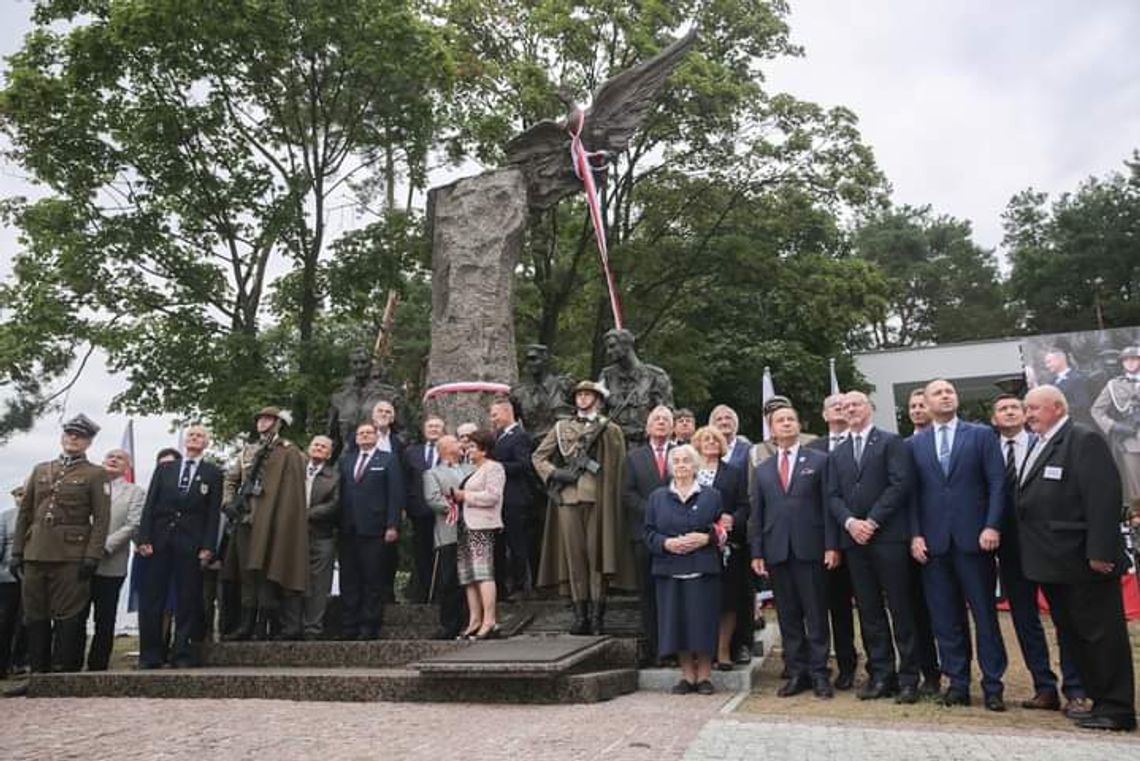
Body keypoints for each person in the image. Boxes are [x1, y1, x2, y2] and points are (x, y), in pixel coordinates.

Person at [1018, 385, 1136, 731]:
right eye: (1027, 409)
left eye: (1034, 409)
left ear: (1056, 408)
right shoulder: (1041, 444)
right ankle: (1098, 702)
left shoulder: (1082, 439)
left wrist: (1099, 551)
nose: (1028, 415)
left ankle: (1116, 708)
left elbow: (1103, 498)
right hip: (1055, 564)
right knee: (1074, 637)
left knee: (1101, 636)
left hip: (1085, 563)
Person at [910, 379, 1008, 711]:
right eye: (938, 393)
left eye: (949, 391)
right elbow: (913, 495)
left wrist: (992, 524)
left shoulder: (980, 435)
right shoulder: (916, 444)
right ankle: (958, 682)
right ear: (925, 402)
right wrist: (916, 534)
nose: (946, 396)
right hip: (934, 546)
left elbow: (997, 483)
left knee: (984, 616)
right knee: (945, 618)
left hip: (975, 541)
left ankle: (993, 685)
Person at [991, 393, 1088, 715]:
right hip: (1011, 550)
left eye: (1015, 408)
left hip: (1050, 548)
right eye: (1001, 409)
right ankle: (1043, 687)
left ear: (1024, 414)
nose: (1009, 413)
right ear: (994, 419)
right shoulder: (989, 451)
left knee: (1063, 617)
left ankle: (1075, 688)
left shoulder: (1044, 444)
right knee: (1024, 621)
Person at [827, 391, 919, 703]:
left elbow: (900, 484)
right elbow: (833, 496)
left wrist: (872, 521)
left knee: (901, 609)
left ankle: (909, 677)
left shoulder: (891, 442)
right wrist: (852, 523)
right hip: (855, 542)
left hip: (888, 538)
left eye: (857, 404)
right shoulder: (837, 453)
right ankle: (881, 674)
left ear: (870, 409)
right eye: (846, 406)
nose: (851, 409)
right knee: (869, 612)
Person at [10, 414, 110, 681]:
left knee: (68, 616)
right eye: (69, 434)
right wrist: (17, 551)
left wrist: (92, 555)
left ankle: (62, 674)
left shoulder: (95, 474)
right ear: (63, 437)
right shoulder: (41, 469)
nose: (73, 439)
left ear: (88, 442)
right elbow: (25, 513)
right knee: (35, 615)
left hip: (71, 555)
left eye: (79, 436)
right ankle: (37, 674)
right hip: (35, 551)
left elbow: (101, 519)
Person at [750, 403, 837, 699]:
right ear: (772, 430)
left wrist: (831, 545)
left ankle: (820, 673)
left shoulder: (819, 460)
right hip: (777, 551)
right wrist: (757, 552)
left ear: (798, 425)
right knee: (787, 616)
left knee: (815, 613)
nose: (786, 424)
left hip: (811, 549)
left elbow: (828, 507)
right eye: (780, 420)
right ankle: (797, 672)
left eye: (791, 419)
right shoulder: (762, 470)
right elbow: (757, 515)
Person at [534, 380, 633, 635]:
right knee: (574, 557)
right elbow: (538, 457)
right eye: (579, 395)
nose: (583, 399)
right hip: (568, 497)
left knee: (596, 556)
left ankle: (598, 614)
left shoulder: (609, 428)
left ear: (598, 400)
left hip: (597, 497)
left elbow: (617, 466)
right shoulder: (561, 427)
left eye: (588, 395)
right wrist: (557, 473)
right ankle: (580, 615)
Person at [137, 425, 223, 668]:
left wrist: (208, 546)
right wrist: (144, 538)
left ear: (207, 443)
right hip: (160, 541)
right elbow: (150, 505)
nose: (195, 438)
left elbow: (212, 514)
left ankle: (182, 653)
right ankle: (150, 655)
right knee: (153, 599)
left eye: (201, 436)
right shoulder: (165, 469)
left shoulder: (213, 473)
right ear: (185, 440)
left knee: (187, 599)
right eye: (192, 434)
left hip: (191, 543)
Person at [222, 407, 309, 641]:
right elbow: (231, 480)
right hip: (246, 516)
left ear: (278, 423)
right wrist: (228, 503)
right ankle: (246, 624)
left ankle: (267, 624)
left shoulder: (290, 451)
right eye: (260, 419)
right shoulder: (247, 451)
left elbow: (292, 489)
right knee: (247, 572)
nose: (263, 422)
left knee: (271, 569)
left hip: (272, 520)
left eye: (268, 419)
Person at [644, 444, 724, 695]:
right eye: (676, 461)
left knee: (703, 622)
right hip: (670, 569)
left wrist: (706, 538)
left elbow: (723, 530)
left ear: (695, 465)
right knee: (676, 623)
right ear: (670, 467)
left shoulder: (712, 495)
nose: (681, 465)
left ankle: (705, 677)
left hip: (702, 568)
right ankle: (687, 676)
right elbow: (647, 533)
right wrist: (666, 543)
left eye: (686, 460)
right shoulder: (657, 497)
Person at [805, 393, 858, 691]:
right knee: (832, 607)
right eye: (833, 406)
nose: (840, 409)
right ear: (824, 415)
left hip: (863, 538)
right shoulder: (812, 450)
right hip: (825, 543)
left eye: (845, 405)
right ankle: (841, 666)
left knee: (869, 608)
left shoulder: (865, 445)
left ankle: (877, 666)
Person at [691, 426, 751, 671]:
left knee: (727, 601)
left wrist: (733, 519)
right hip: (696, 546)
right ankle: (699, 651)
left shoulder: (734, 473)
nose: (710, 442)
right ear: (697, 443)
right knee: (698, 602)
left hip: (727, 548)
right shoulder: (688, 471)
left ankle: (723, 651)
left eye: (715, 439)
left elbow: (744, 505)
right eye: (705, 439)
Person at [337, 421, 403, 640]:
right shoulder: (346, 461)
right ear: (355, 438)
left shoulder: (388, 459)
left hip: (375, 528)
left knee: (372, 579)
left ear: (376, 436)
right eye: (360, 433)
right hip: (348, 529)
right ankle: (348, 626)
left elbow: (395, 494)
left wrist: (392, 524)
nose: (364, 436)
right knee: (349, 579)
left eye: (368, 433)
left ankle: (369, 625)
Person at [83, 448, 144, 671]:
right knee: (75, 615)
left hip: (111, 563)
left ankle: (97, 666)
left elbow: (133, 524)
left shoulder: (135, 492)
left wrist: (103, 546)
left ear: (127, 467)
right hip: (80, 561)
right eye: (110, 456)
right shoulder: (88, 486)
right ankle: (69, 663)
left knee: (105, 618)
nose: (114, 460)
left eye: (120, 458)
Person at [622, 405, 674, 664]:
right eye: (656, 419)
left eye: (666, 419)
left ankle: (676, 648)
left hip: (677, 538)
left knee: (674, 594)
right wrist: (656, 512)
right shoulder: (634, 457)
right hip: (644, 535)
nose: (661, 423)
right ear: (647, 426)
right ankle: (656, 650)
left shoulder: (682, 454)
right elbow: (628, 494)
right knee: (649, 594)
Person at [453, 430, 506, 639]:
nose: (469, 449)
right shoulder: (474, 470)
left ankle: (489, 620)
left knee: (483, 573)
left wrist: (465, 495)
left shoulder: (494, 468)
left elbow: (493, 496)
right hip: (466, 526)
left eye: (473, 446)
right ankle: (475, 620)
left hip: (482, 526)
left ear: (484, 449)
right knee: (469, 576)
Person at [904, 386, 940, 693]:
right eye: (912, 406)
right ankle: (928, 672)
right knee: (917, 612)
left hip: (949, 538)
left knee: (947, 613)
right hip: (914, 543)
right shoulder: (902, 446)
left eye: (921, 404)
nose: (917, 410)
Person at [423, 435, 474, 639]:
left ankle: (474, 622)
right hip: (449, 533)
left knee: (474, 578)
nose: (461, 444)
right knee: (449, 580)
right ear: (444, 448)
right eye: (456, 442)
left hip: (474, 531)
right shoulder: (432, 473)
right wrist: (460, 507)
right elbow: (434, 499)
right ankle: (450, 625)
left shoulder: (472, 469)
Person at [489, 398, 536, 599]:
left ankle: (521, 586)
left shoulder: (520, 436)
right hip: (498, 500)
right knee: (499, 545)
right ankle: (501, 587)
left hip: (515, 498)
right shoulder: (498, 436)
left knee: (517, 544)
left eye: (495, 415)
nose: (493, 419)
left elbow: (523, 465)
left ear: (507, 412)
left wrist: (496, 467)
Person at [597, 328, 674, 445]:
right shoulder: (606, 376)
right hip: (614, 444)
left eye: (612, 346)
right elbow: (598, 412)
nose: (608, 352)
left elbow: (666, 412)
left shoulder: (656, 376)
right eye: (608, 348)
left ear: (627, 346)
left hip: (644, 443)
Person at [403, 416, 446, 604]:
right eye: (430, 426)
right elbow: (405, 481)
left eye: (437, 426)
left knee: (444, 554)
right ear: (424, 430)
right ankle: (423, 592)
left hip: (444, 512)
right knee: (421, 554)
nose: (434, 429)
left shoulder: (450, 451)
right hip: (419, 511)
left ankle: (441, 593)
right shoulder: (412, 452)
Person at [1091, 345, 1140, 505]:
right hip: (1131, 440)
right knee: (1136, 488)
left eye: (1134, 359)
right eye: (1126, 360)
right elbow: (1096, 410)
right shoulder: (1114, 385)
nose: (1131, 363)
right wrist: (1115, 426)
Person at [302, 435, 340, 640]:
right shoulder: (295, 472)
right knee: (293, 580)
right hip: (293, 535)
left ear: (329, 453)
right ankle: (290, 626)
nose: (319, 448)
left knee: (319, 584)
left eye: (324, 446)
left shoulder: (335, 476)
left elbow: (335, 504)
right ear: (309, 448)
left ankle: (312, 628)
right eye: (315, 444)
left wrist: (306, 513)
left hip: (321, 535)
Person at [512, 344, 574, 443]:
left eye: (534, 359)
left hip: (561, 445)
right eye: (528, 360)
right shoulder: (519, 393)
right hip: (532, 448)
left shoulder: (564, 386)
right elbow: (512, 425)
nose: (530, 363)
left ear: (545, 360)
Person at [0, 486, 26, 679]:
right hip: (7, 578)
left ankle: (20, 661)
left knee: (26, 622)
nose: (21, 498)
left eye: (25, 494)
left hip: (32, 578)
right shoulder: (5, 517)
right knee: (5, 621)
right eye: (18, 494)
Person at [1043, 347, 1093, 427]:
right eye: (1046, 363)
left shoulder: (1077, 378)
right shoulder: (1051, 382)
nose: (1047, 366)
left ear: (1060, 359)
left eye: (1049, 362)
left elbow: (1083, 405)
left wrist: (1059, 410)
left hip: (1075, 424)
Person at [708, 405, 751, 472]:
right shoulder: (707, 450)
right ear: (713, 425)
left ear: (735, 423)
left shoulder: (748, 450)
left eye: (728, 418)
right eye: (719, 419)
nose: (724, 422)